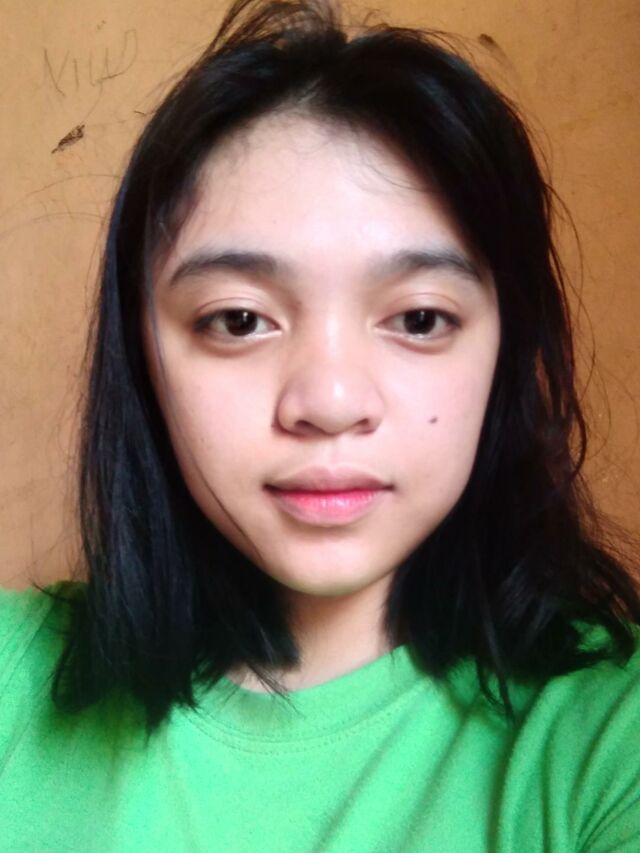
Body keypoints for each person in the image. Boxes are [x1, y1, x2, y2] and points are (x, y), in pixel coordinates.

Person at [2, 0, 640, 849]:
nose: (332, 401)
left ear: (505, 350)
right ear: (142, 356)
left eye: (419, 319)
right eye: (238, 320)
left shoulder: (608, 739)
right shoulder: (14, 678)